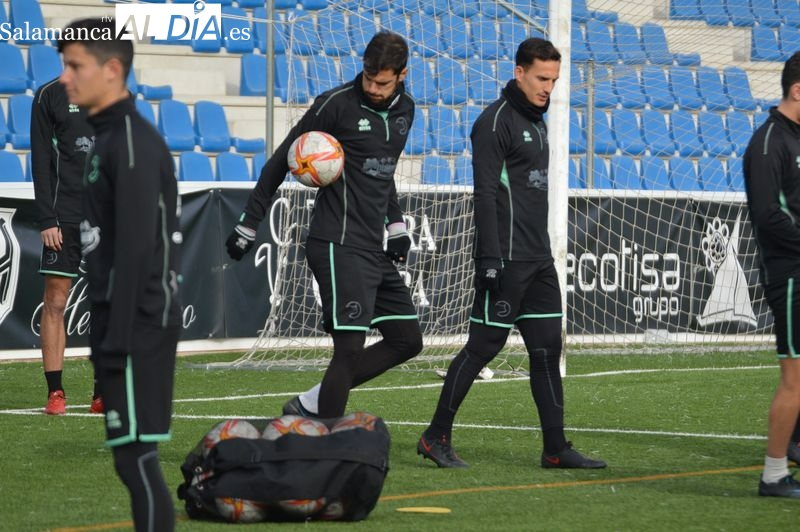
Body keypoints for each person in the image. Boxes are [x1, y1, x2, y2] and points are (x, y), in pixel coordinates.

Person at [416, 38, 605, 469]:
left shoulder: (538, 121)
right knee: (483, 346)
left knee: (546, 349)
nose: (547, 88)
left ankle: (555, 448)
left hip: (539, 261)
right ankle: (434, 436)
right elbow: (484, 193)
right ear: (519, 72)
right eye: (541, 78)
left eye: (554, 80)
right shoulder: (494, 122)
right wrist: (488, 258)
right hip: (505, 261)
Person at [226, 30, 422, 419]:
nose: (372, 87)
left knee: (407, 340)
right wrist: (249, 223)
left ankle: (310, 404)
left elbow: (381, 175)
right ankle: (327, 442)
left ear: (402, 75)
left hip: (372, 247)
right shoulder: (334, 105)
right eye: (367, 78)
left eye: (381, 82)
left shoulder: (406, 111)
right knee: (348, 349)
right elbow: (279, 161)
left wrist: (396, 225)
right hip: (336, 243)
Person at [58, 18, 182, 529]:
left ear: (112, 70)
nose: (65, 77)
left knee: (138, 460)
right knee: (129, 458)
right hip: (125, 319)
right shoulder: (106, 136)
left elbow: (135, 248)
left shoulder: (131, 141)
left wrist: (118, 335)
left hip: (139, 322)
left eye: (75, 65)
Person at [743, 51, 800, 498]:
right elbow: (769, 216)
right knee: (793, 377)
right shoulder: (767, 144)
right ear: (797, 90)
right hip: (791, 275)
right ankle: (773, 474)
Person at [31, 76, 103, 415]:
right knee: (56, 300)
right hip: (64, 215)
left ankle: (103, 393)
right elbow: (41, 159)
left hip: (107, 215)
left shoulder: (119, 94)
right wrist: (46, 218)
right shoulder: (49, 95)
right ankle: (55, 392)